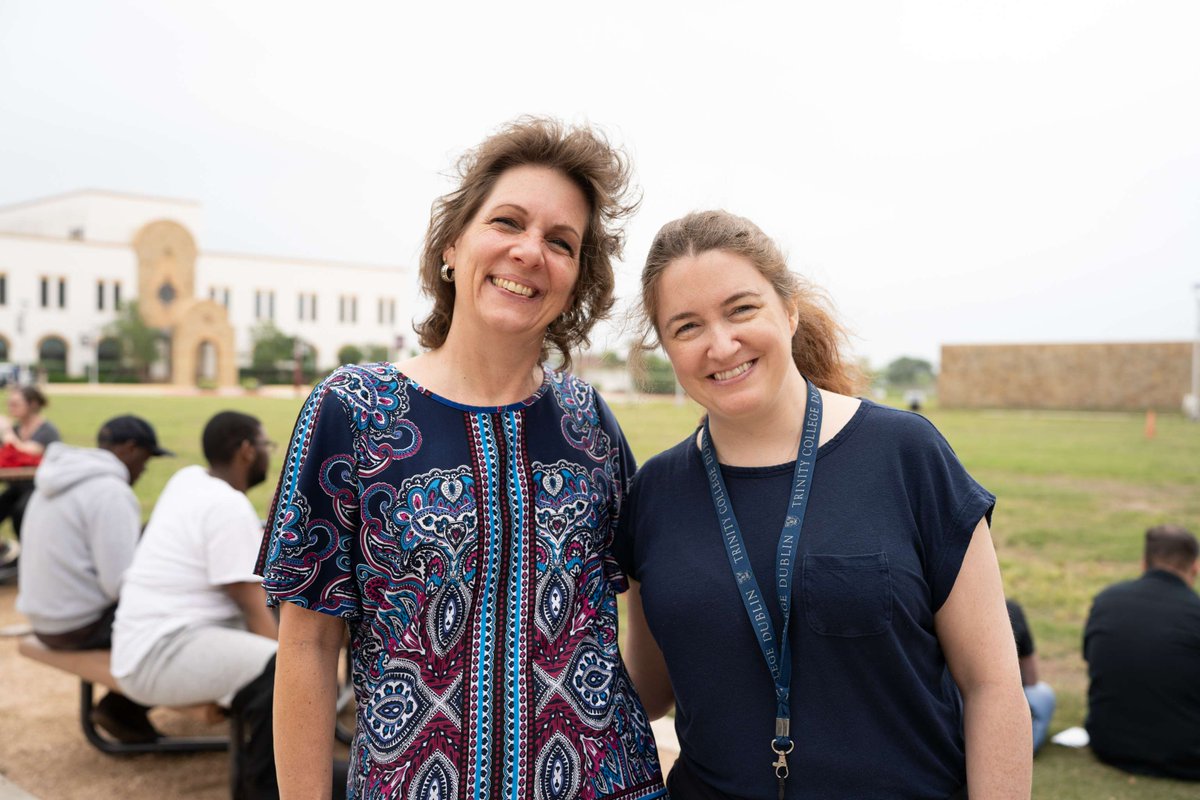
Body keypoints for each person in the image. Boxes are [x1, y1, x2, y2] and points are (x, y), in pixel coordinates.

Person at [258, 117, 665, 799]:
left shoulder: (588, 424)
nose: (530, 251)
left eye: (560, 242)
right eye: (507, 222)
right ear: (452, 245)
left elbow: (654, 589)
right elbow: (306, 644)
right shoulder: (354, 411)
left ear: (575, 279)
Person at [617, 210, 1031, 799]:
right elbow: (649, 689)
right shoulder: (653, 493)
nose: (721, 343)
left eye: (741, 309)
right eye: (686, 327)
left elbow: (991, 685)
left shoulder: (906, 455)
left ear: (788, 311)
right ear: (666, 348)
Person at [112, 411, 299, 798]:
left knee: (285, 646)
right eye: (266, 446)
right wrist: (301, 680)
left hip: (142, 637)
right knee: (282, 668)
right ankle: (266, 785)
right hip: (159, 651)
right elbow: (254, 611)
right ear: (246, 451)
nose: (268, 455)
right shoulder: (227, 506)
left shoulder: (190, 480)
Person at [15, 414, 170, 742]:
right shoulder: (111, 491)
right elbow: (119, 585)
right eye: (146, 459)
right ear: (129, 449)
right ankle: (123, 708)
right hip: (77, 625)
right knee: (189, 612)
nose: (144, 470)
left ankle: (124, 707)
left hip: (44, 618)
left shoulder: (57, 479)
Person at [1083, 524, 1200, 781]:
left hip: (1109, 744)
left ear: (1144, 563)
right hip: (1187, 756)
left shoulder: (1106, 600)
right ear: (1195, 566)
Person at [0, 386, 61, 545]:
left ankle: (30, 552)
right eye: (9, 404)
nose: (10, 408)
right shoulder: (16, 429)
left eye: (15, 404)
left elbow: (27, 452)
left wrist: (6, 431)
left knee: (20, 512)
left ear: (32, 404)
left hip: (39, 487)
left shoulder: (47, 431)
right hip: (18, 486)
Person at [1007, 599, 1056, 752]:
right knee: (1043, 693)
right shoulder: (1011, 610)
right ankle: (1024, 746)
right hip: (1001, 716)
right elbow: (1032, 678)